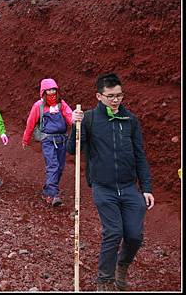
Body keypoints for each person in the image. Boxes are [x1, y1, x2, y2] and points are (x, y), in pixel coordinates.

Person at [68, 73, 154, 291]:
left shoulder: (130, 120)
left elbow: (140, 155)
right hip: (103, 187)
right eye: (110, 96)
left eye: (119, 95)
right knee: (114, 232)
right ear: (99, 96)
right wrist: (74, 126)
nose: (116, 100)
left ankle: (121, 266)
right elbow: (72, 149)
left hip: (128, 187)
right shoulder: (88, 119)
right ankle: (105, 281)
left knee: (134, 235)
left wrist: (146, 188)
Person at [22, 78, 73, 207]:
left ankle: (47, 191)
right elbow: (31, 123)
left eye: (53, 90)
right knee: (53, 166)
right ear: (43, 92)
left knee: (60, 167)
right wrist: (25, 139)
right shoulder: (38, 106)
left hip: (62, 139)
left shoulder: (61, 104)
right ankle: (54, 195)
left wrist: (76, 120)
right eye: (48, 90)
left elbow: (70, 116)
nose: (51, 92)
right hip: (48, 140)